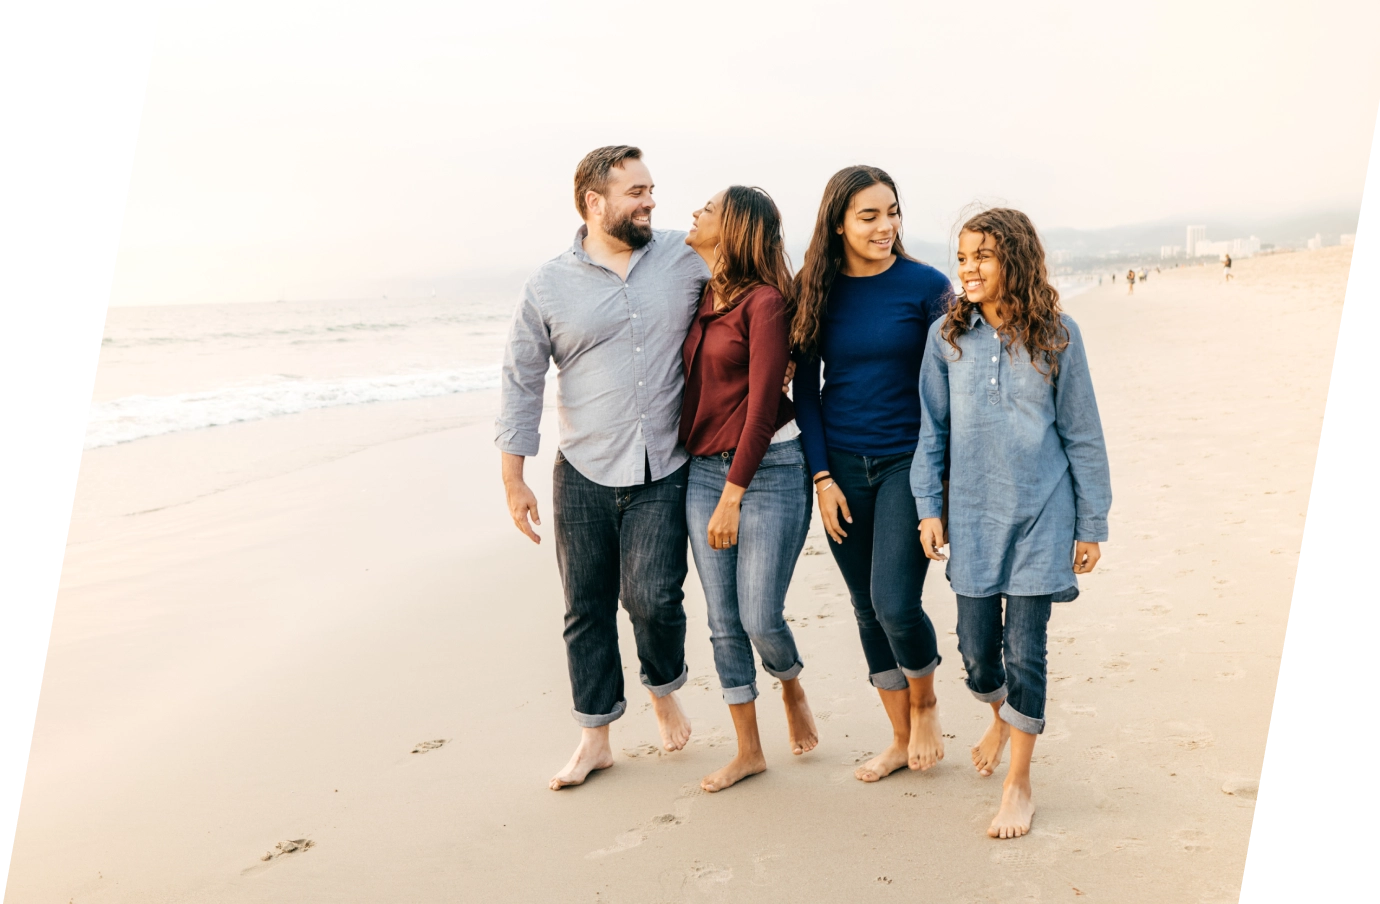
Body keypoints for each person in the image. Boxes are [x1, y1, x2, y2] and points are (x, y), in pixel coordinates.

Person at [496, 146, 707, 790]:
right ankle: (595, 737)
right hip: (583, 468)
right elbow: (521, 377)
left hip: (664, 464)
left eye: (651, 190)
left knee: (653, 600)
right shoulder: (549, 283)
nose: (649, 202)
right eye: (635, 192)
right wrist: (513, 477)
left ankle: (662, 686)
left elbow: (753, 282)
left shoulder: (684, 256)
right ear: (594, 201)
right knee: (585, 605)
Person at [912, 208, 1112, 839]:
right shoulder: (948, 339)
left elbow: (1082, 434)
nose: (969, 268)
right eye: (964, 257)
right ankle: (999, 714)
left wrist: (1091, 522)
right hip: (971, 517)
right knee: (976, 655)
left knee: (1026, 651)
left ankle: (1019, 783)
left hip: (1042, 518)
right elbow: (931, 432)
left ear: (1016, 261)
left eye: (984, 256)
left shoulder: (1059, 335)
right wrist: (927, 508)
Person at [792, 165, 954, 783]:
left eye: (892, 213)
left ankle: (927, 703)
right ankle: (897, 737)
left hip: (907, 465)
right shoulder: (816, 287)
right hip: (842, 468)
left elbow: (959, 376)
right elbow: (806, 390)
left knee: (895, 601)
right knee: (865, 607)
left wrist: (946, 480)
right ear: (838, 223)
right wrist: (822, 478)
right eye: (869, 215)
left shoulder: (927, 287)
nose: (885, 226)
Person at [680, 186, 818, 793]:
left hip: (768, 472)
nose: (693, 213)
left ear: (732, 227)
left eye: (706, 209)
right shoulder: (700, 292)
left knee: (760, 614)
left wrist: (733, 494)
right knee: (721, 620)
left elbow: (763, 406)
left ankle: (789, 681)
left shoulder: (764, 303)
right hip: (703, 468)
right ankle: (748, 751)